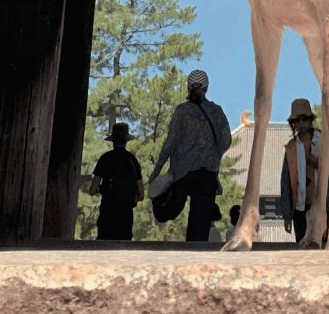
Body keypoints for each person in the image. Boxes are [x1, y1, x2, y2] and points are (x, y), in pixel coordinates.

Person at [151, 69, 232, 242]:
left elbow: (170, 142)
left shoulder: (182, 111)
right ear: (206, 87)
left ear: (188, 87)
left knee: (167, 210)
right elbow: (226, 139)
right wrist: (214, 155)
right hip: (207, 173)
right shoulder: (217, 112)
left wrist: (157, 169)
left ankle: (158, 204)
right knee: (200, 224)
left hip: (183, 172)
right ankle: (195, 254)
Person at [90, 123, 145, 241]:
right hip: (126, 216)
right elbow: (141, 195)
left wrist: (103, 190)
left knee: (103, 251)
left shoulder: (105, 158)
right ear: (126, 141)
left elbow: (92, 190)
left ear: (112, 141)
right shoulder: (132, 160)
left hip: (107, 214)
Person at [281, 97, 323, 243]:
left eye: (303, 119)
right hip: (300, 207)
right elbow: (285, 183)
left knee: (323, 246)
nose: (300, 123)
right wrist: (287, 215)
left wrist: (318, 163)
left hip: (322, 205)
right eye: (296, 121)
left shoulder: (323, 139)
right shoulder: (291, 147)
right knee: (301, 245)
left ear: (310, 119)